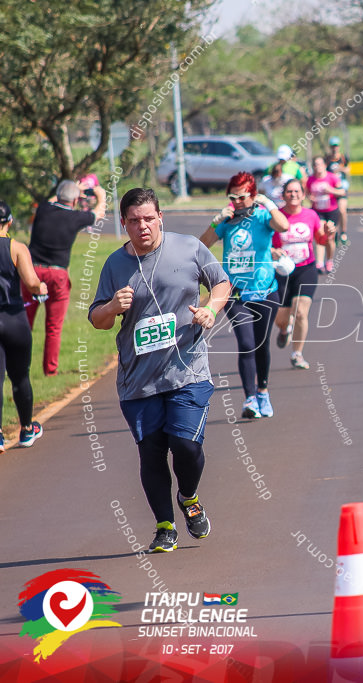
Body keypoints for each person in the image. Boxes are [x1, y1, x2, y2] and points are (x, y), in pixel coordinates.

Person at [89, 188, 231, 552]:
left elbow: (221, 282)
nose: (142, 227)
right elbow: (97, 319)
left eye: (149, 219)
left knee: (184, 445)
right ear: (124, 224)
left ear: (160, 217)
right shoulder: (114, 265)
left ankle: (189, 495)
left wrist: (211, 310)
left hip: (188, 370)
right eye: (134, 221)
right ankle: (165, 526)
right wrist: (111, 307)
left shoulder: (188, 248)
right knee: (151, 453)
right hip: (139, 379)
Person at [200, 172, 289, 418]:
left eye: (242, 197)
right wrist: (216, 221)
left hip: (265, 291)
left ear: (253, 195)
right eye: (233, 197)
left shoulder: (262, 217)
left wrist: (269, 204)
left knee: (261, 345)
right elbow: (202, 245)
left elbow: (283, 225)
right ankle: (249, 399)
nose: (237, 202)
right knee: (246, 344)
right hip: (235, 293)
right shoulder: (227, 221)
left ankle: (263, 391)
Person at [25, 179, 106, 375]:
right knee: (53, 327)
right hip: (58, 274)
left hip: (32, 272)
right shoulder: (76, 217)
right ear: (76, 200)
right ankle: (50, 370)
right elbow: (99, 213)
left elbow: (55, 199)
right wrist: (101, 196)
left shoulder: (44, 209)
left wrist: (71, 189)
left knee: (25, 322)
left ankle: (20, 367)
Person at [0, 201, 47, 453]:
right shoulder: (16, 248)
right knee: (20, 376)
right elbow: (32, 283)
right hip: (14, 319)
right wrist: (41, 288)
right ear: (10, 222)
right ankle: (26, 429)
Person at [272, 179, 330, 369]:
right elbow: (266, 243)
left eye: (297, 191)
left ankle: (297, 353)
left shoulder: (311, 215)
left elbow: (320, 239)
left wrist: (328, 233)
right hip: (281, 272)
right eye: (289, 191)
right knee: (280, 319)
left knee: (301, 313)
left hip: (306, 269)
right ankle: (284, 330)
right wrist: (273, 251)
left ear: (303, 195)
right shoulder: (275, 217)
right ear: (283, 195)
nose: (293, 195)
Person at [306, 157, 345, 274]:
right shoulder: (310, 180)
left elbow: (342, 192)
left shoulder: (331, 177)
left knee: (330, 237)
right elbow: (307, 193)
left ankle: (329, 260)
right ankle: (319, 263)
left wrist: (331, 191)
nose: (317, 167)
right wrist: (310, 198)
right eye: (315, 165)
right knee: (320, 235)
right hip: (317, 211)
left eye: (319, 164)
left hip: (331, 210)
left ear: (324, 165)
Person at [326, 137, 351, 248]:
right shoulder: (327, 159)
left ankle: (343, 232)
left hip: (341, 188)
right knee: (332, 212)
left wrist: (340, 169)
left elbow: (348, 169)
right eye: (333, 146)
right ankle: (333, 233)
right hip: (331, 189)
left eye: (336, 146)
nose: (335, 148)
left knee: (342, 210)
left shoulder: (343, 158)